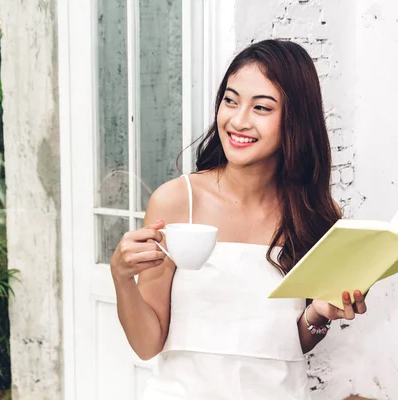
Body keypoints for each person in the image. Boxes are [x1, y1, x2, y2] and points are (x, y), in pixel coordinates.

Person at [109, 39, 368, 400]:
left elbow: (286, 346)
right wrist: (122, 279)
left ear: (295, 119)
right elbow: (147, 344)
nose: (238, 120)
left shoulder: (314, 215)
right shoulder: (176, 201)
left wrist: (319, 313)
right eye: (230, 100)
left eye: (261, 107)